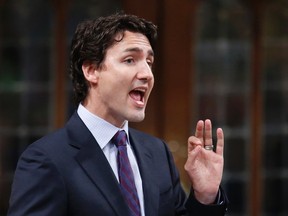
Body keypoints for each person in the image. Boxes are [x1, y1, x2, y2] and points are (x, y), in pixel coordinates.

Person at [8, 13, 228, 216]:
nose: (147, 74)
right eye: (130, 60)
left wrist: (205, 196)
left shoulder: (157, 152)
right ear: (91, 70)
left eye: (149, 62)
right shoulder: (45, 160)